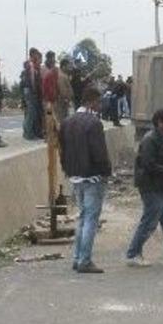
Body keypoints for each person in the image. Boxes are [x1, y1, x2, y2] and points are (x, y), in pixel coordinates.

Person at [59, 85, 112, 274]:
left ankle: (77, 258)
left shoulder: (67, 121)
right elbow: (100, 153)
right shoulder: (93, 123)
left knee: (82, 218)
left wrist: (67, 170)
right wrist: (106, 171)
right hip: (93, 177)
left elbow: (62, 150)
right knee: (91, 219)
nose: (99, 106)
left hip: (75, 176)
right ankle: (85, 260)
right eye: (98, 102)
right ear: (92, 101)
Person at [125, 108, 163, 267]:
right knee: (149, 221)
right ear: (160, 122)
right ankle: (133, 254)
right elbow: (148, 165)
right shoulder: (150, 139)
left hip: (162, 185)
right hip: (151, 185)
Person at [21, 48, 43, 140]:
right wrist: (34, 90)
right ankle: (28, 134)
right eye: (36, 54)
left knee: (33, 113)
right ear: (32, 54)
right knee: (31, 113)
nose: (37, 56)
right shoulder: (30, 65)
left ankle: (31, 132)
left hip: (32, 92)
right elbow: (32, 81)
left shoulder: (34, 66)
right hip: (30, 92)